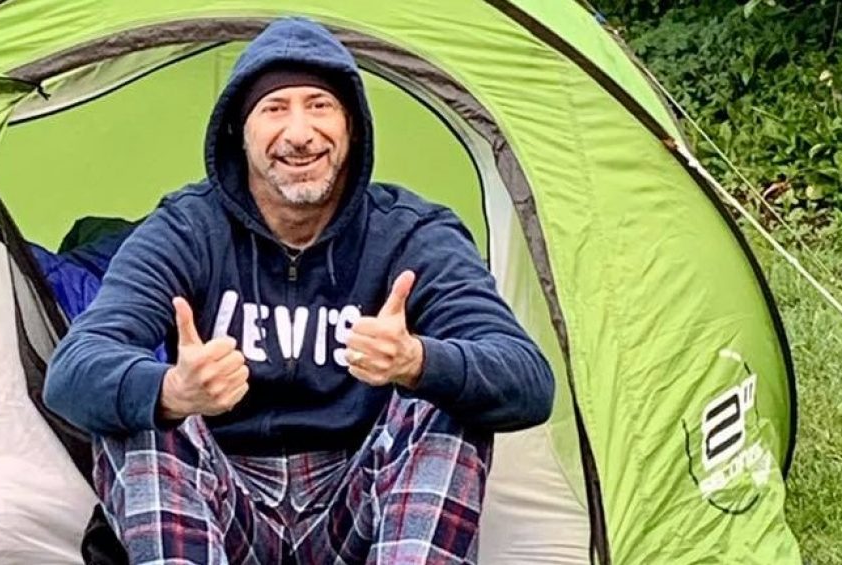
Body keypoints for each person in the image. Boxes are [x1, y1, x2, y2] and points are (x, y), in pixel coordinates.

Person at [45, 17, 555, 564]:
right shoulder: (186, 229)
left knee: (446, 401)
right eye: (274, 108)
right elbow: (72, 372)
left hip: (358, 506)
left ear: (352, 126)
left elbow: (528, 378)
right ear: (240, 132)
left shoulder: (413, 233)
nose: (299, 133)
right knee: (141, 416)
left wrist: (418, 360)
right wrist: (170, 389)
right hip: (221, 505)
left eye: (319, 105)